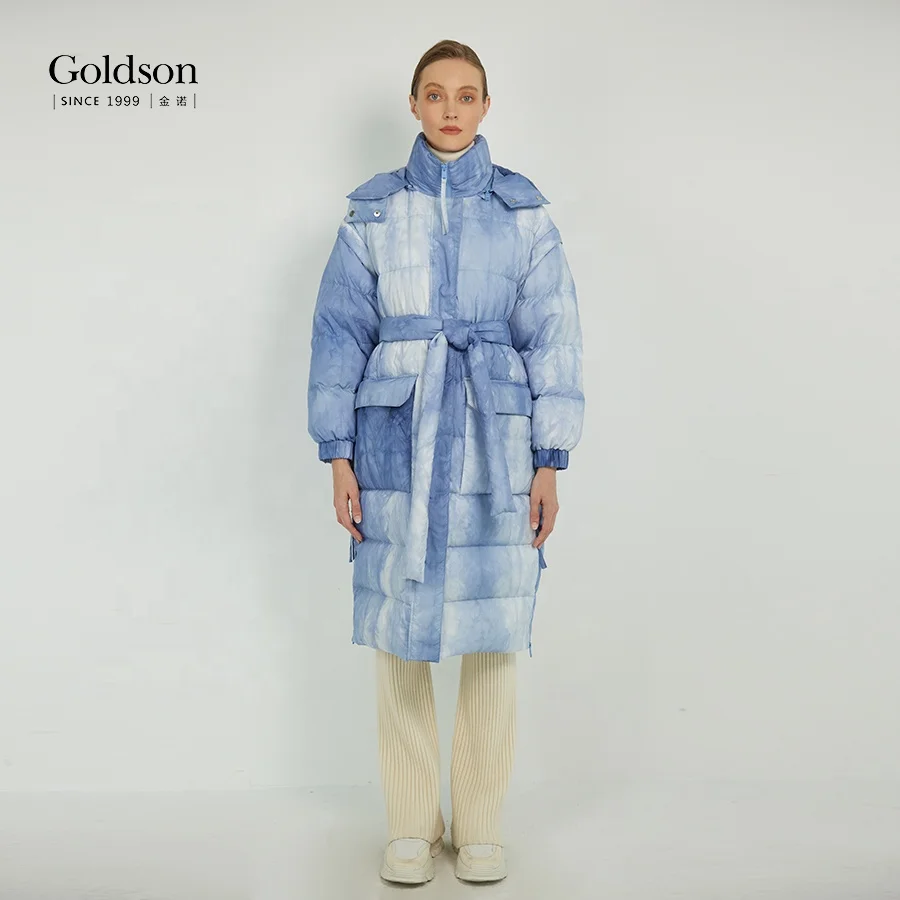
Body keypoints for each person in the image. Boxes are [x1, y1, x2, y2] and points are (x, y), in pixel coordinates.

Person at [306, 39, 584, 885]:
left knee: (492, 634)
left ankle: (482, 824)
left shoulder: (525, 215)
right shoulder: (373, 214)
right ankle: (410, 824)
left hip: (496, 445)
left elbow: (555, 337)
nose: (451, 109)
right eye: (435, 94)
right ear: (415, 104)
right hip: (395, 441)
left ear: (486, 106)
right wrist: (337, 453)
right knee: (400, 632)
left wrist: (549, 458)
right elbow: (338, 334)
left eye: (466, 95)